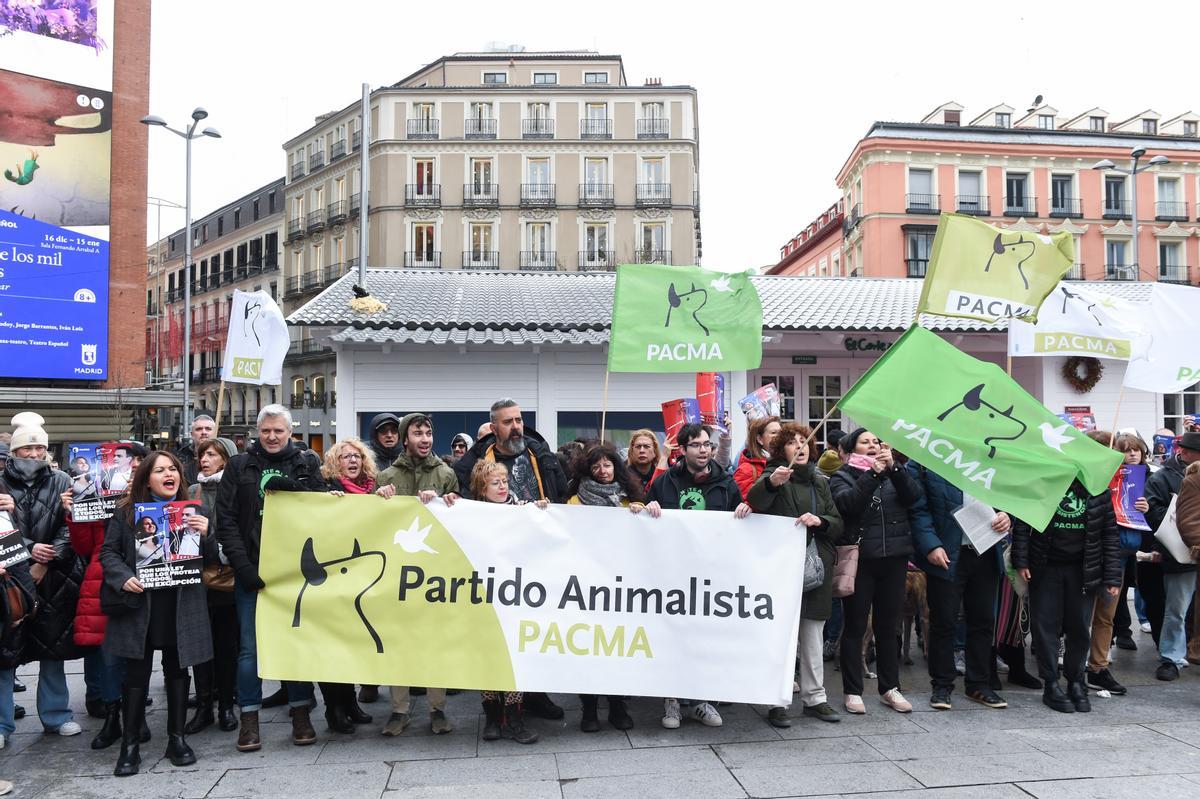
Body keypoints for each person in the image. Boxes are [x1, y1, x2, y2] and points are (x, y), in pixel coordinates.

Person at [216, 405, 326, 752]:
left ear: (290, 432)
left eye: (278, 431)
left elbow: (323, 510)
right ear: (257, 433)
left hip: (294, 572)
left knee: (294, 641)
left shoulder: (307, 463)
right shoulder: (239, 466)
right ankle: (249, 717)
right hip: (253, 570)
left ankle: (300, 711)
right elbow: (227, 520)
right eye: (266, 431)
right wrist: (242, 566)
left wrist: (293, 487)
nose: (272, 437)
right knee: (249, 649)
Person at [100, 450, 216, 776]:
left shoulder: (194, 510)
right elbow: (108, 553)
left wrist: (207, 533)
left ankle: (176, 740)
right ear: (146, 477)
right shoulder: (126, 513)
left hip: (181, 603)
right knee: (136, 674)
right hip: (141, 605)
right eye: (160, 470)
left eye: (174, 469)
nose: (170, 474)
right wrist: (124, 578)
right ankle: (130, 745)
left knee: (178, 671)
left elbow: (209, 559)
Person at [645, 423, 752, 729]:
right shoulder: (665, 484)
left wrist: (744, 511)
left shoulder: (726, 484)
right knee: (673, 636)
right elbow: (647, 522)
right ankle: (673, 701)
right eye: (696, 445)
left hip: (710, 574)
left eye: (707, 444)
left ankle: (701, 700)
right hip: (673, 574)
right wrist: (649, 508)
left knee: (705, 637)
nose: (704, 450)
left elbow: (738, 522)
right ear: (683, 450)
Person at [746, 423, 843, 727]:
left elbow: (838, 524)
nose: (800, 447)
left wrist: (821, 520)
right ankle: (776, 700)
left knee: (813, 634)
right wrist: (772, 484)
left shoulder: (819, 480)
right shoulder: (773, 475)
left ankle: (815, 698)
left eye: (804, 442)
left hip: (815, 568)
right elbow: (755, 500)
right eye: (792, 443)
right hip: (779, 569)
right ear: (780, 450)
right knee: (780, 636)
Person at [374, 414, 461, 738]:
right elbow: (371, 521)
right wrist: (379, 498)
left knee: (433, 643)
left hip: (434, 575)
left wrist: (449, 500)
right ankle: (399, 711)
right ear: (404, 438)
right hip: (398, 573)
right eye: (417, 433)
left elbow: (460, 520)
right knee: (399, 641)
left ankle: (437, 709)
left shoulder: (446, 473)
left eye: (428, 433)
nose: (424, 438)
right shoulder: (387, 474)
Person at [828, 428, 922, 715]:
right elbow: (849, 505)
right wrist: (873, 475)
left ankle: (889, 688)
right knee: (856, 626)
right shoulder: (843, 475)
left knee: (888, 625)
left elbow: (913, 497)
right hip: (861, 559)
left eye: (876, 442)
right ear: (852, 449)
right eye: (865, 442)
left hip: (894, 558)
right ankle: (852, 690)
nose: (873, 446)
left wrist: (894, 469)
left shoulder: (896, 471)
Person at [0, 412, 81, 737]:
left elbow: (71, 525)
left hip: (54, 578)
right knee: (4, 655)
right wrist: (29, 549)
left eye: (38, 448)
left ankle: (56, 715)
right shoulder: (1, 482)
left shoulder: (62, 480)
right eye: (26, 448)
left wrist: (49, 557)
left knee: (53, 650)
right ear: (15, 451)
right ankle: (2, 724)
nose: (33, 454)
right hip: (11, 580)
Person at [1013, 477, 1121, 713]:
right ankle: (1051, 683)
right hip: (1045, 567)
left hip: (1083, 571)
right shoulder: (1043, 482)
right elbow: (1022, 523)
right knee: (1045, 629)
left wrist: (1112, 576)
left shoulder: (1098, 490)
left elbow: (1109, 534)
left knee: (1080, 629)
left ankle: (1076, 682)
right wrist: (1021, 561)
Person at [907, 464, 1010, 710]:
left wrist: (1007, 514)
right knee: (944, 621)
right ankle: (942, 685)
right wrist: (931, 545)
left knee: (983, 621)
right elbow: (917, 508)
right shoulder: (928, 458)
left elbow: (1009, 496)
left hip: (985, 550)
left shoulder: (989, 456)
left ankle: (979, 684)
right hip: (947, 552)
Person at [566, 443, 642, 732]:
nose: (602, 470)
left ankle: (617, 706)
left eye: (607, 465)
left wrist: (644, 511)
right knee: (588, 648)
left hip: (621, 586)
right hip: (587, 585)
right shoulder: (575, 502)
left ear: (616, 467)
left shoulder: (630, 500)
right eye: (596, 466)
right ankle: (588, 708)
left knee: (617, 647)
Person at [310, 437, 380, 734]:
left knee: (353, 644)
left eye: (357, 456)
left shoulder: (371, 491)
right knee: (331, 646)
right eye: (345, 456)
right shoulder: (325, 490)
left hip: (359, 580)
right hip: (332, 581)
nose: (353, 461)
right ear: (334, 463)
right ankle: (333, 708)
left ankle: (350, 702)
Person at [470, 460, 542, 745]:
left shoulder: (522, 510)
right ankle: (491, 715)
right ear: (481, 488)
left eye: (504, 482)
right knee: (488, 655)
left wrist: (543, 512)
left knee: (514, 656)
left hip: (515, 594)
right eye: (495, 483)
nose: (502, 487)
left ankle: (514, 716)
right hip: (483, 596)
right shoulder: (469, 513)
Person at [184, 437, 241, 735]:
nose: (204, 459)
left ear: (226, 459)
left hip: (225, 580)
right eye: (202, 454)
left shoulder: (234, 491)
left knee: (226, 646)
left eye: (212, 454)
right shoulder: (191, 491)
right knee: (199, 647)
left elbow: (240, 531)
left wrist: (212, 534)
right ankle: (204, 705)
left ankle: (227, 706)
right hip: (196, 580)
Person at [1086, 433, 1148, 695]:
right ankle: (1077, 663)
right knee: (1083, 614)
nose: (1131, 454)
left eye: (1135, 450)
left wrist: (1145, 508)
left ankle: (1097, 666)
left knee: (1105, 615)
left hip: (1120, 555)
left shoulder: (1139, 479)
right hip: (1090, 555)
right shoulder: (1092, 478)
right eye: (1124, 450)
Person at [1144, 430, 1200, 681]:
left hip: (1187, 548)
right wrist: (1169, 524)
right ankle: (1171, 656)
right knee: (1177, 607)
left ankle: (1188, 650)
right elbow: (1154, 511)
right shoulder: (1164, 476)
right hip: (1179, 551)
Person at [454, 399, 569, 505]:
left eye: (518, 420)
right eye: (507, 422)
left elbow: (563, 498)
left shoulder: (544, 457)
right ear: (494, 429)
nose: (515, 426)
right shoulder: (473, 465)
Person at [733, 416, 781, 498]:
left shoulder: (786, 461)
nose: (780, 436)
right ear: (760, 439)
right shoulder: (746, 470)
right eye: (773, 433)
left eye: (781, 433)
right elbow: (743, 502)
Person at [176, 415, 217, 485]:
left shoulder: (224, 456)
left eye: (208, 429)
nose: (204, 432)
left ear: (215, 433)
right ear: (192, 434)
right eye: (199, 429)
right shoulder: (180, 457)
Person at [626, 429, 667, 493]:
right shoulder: (623, 475)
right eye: (638, 446)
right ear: (632, 451)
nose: (642, 450)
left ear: (655, 450)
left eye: (646, 446)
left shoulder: (663, 476)